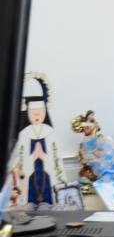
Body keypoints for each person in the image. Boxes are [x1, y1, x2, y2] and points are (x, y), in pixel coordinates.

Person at [13, 73, 67, 206]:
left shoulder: (50, 133)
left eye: (40, 111)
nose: (37, 115)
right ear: (27, 113)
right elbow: (19, 163)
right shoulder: (24, 134)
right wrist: (32, 158)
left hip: (47, 180)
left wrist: (43, 156)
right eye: (33, 112)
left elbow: (56, 162)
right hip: (30, 182)